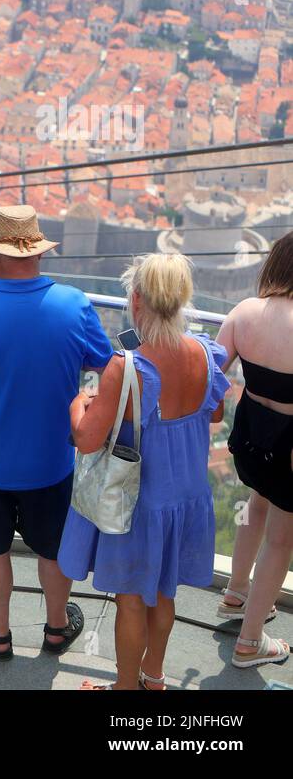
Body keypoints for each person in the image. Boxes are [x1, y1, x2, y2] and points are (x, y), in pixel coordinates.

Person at [0, 205, 113, 659]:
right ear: (40, 255)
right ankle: (56, 628)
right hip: (51, 465)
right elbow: (106, 362)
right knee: (52, 551)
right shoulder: (74, 304)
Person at [60, 254, 229, 689]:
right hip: (186, 496)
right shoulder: (208, 355)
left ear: (136, 299)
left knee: (132, 600)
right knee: (165, 592)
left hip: (139, 502)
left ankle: (123, 687)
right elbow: (213, 415)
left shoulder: (128, 366)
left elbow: (87, 440)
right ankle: (153, 676)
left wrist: (79, 404)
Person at [215, 232, 293, 668]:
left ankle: (236, 592)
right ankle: (250, 642)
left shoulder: (245, 312)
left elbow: (212, 372)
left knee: (253, 506)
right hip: (288, 446)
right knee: (281, 539)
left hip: (249, 435)